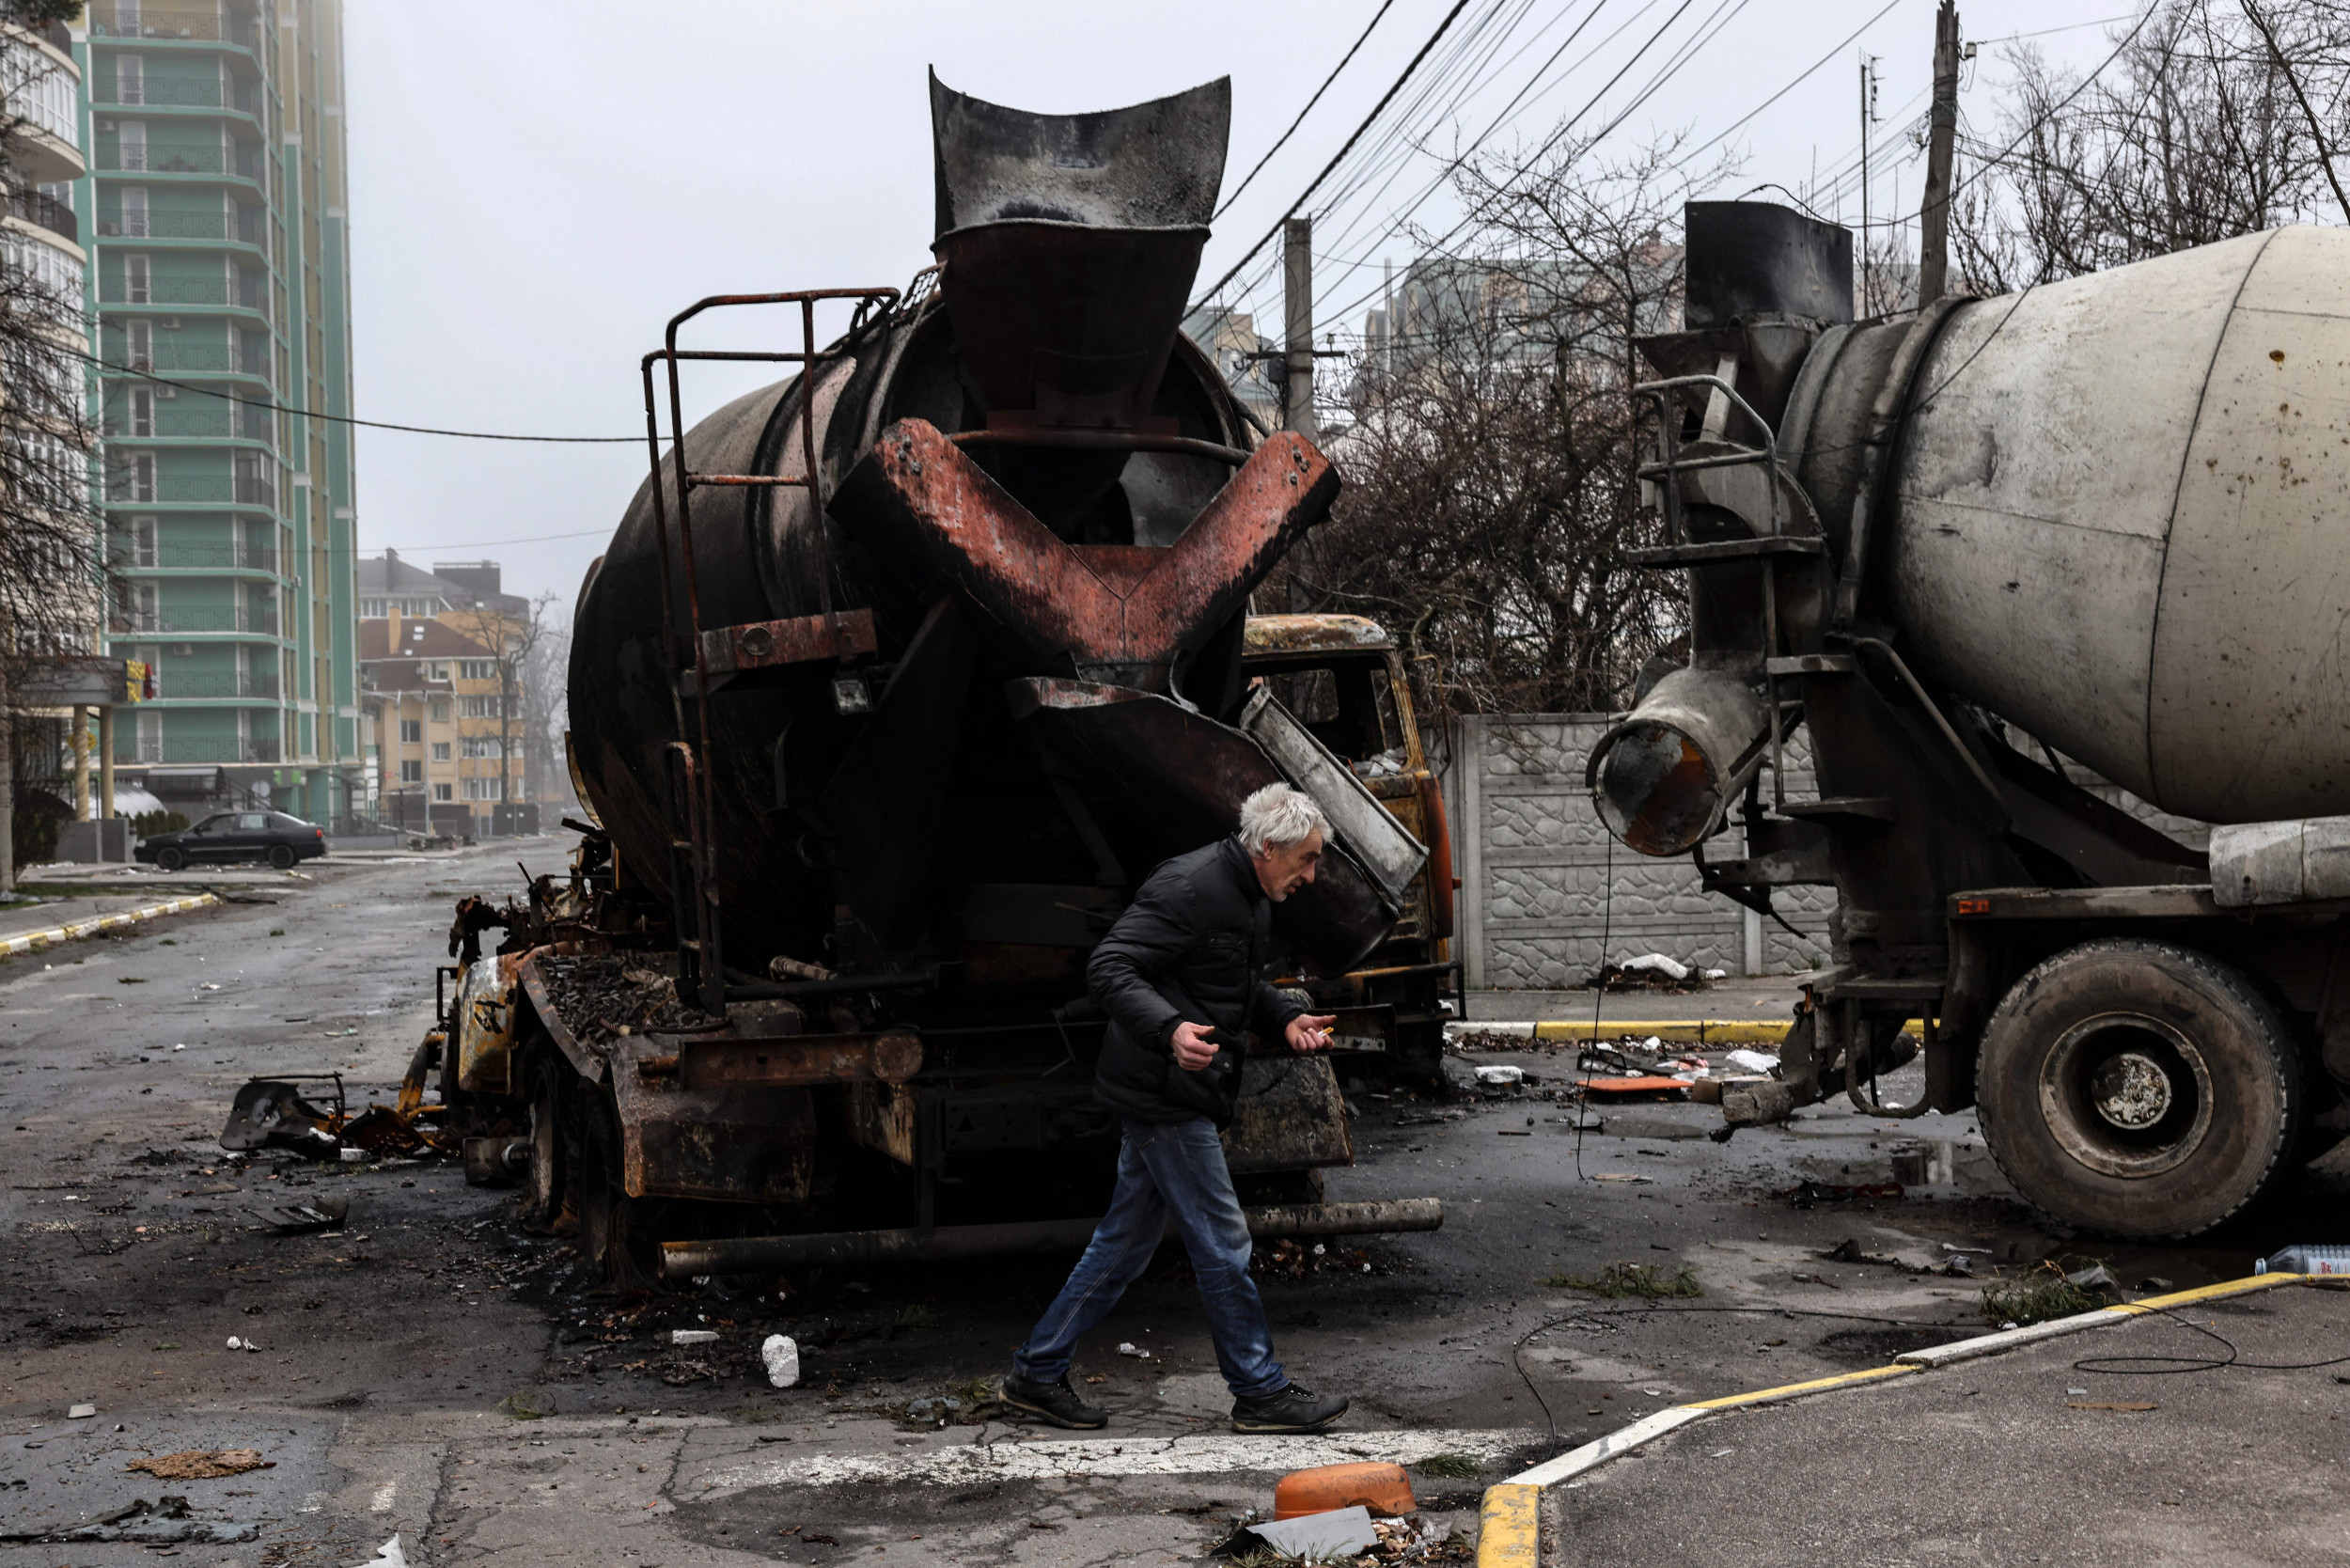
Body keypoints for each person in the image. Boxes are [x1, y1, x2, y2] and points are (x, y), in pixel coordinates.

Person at [1000, 783, 1351, 1435]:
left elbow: (1228, 982)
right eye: (1305, 859)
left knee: (1122, 1248)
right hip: (1166, 1093)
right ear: (1267, 848)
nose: (1312, 873)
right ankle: (1260, 1391)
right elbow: (1110, 967)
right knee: (1223, 1243)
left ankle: (1036, 1372)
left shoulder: (1249, 893)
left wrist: (1286, 1017)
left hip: (1180, 1089)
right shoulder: (1190, 887)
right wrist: (1170, 1031)